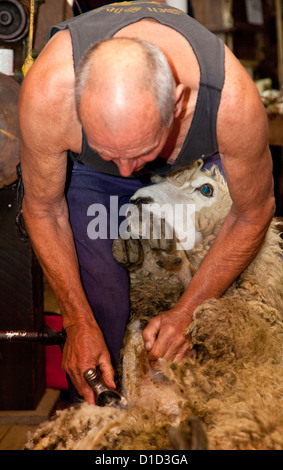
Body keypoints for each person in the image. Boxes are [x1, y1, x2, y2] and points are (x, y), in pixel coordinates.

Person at [18, 2, 275, 404]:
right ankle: (98, 428)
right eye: (111, 151)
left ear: (178, 102)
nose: (125, 172)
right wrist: (76, 319)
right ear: (78, 104)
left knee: (226, 312)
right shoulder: (49, 94)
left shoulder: (230, 102)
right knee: (99, 307)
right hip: (89, 173)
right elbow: (43, 209)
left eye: (137, 153)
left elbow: (254, 211)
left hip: (189, 165)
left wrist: (190, 310)